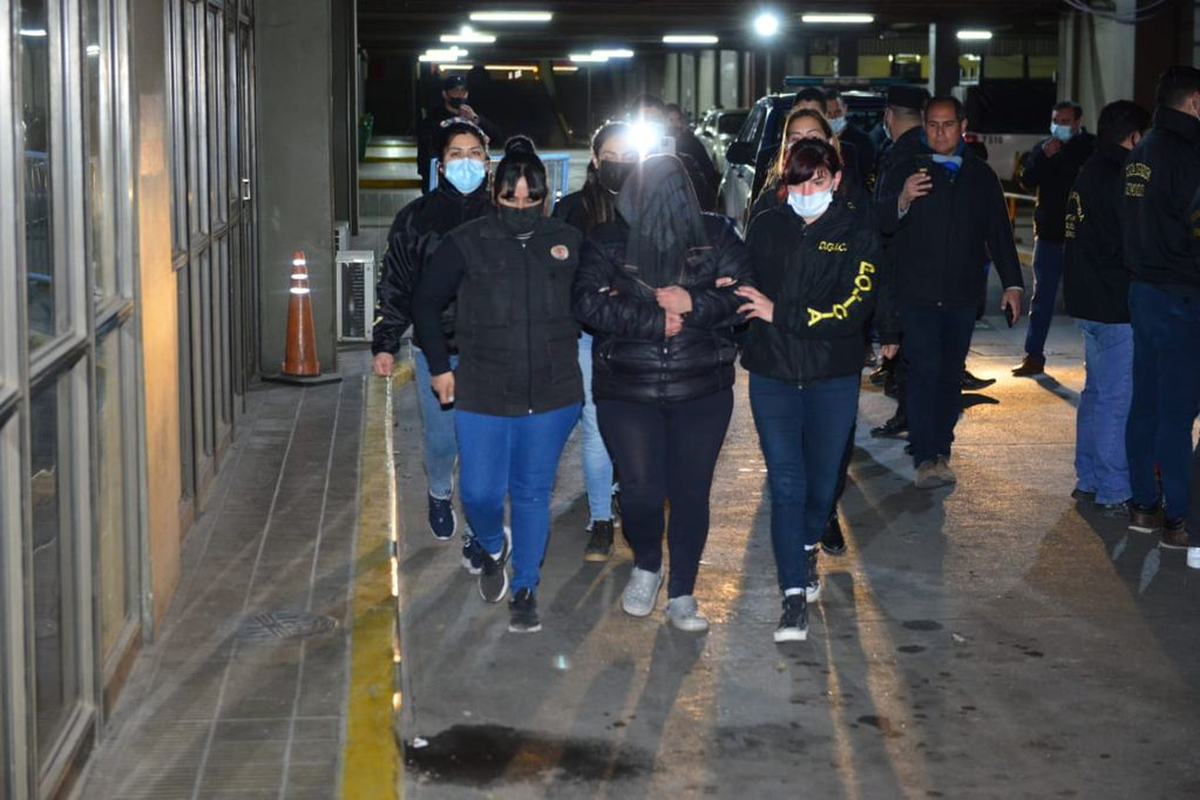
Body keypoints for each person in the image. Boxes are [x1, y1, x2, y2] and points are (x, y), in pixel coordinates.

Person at [573, 154, 752, 632]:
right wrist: (654, 319)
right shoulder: (608, 240)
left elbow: (745, 296)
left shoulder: (717, 235)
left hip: (702, 386)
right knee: (640, 491)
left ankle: (683, 594)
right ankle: (647, 564)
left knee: (691, 493)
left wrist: (694, 301)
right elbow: (586, 302)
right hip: (627, 387)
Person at [411, 136, 584, 633]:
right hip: (482, 389)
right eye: (511, 197)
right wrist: (440, 367)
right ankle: (491, 546)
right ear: (495, 194)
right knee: (480, 493)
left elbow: (596, 299)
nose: (521, 207)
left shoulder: (568, 242)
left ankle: (526, 588)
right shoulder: (467, 241)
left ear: (546, 197)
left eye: (532, 198)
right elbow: (426, 303)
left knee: (531, 493)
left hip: (551, 393)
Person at [736, 139, 897, 642]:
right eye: (798, 181)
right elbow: (742, 289)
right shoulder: (765, 225)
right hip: (773, 375)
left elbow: (851, 312)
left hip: (832, 378)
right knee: (786, 483)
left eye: (818, 180)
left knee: (823, 487)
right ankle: (791, 596)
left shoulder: (857, 234)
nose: (808, 190)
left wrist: (779, 313)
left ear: (836, 177)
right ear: (784, 181)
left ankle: (807, 546)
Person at [876, 96, 1024, 489]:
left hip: (961, 295)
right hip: (915, 295)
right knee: (923, 372)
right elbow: (880, 225)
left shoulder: (979, 175)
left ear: (963, 126)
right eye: (932, 125)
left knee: (948, 375)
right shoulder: (905, 169)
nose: (940, 133)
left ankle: (942, 448)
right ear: (923, 126)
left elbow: (998, 232)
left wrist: (1013, 284)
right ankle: (926, 455)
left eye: (947, 125)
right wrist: (902, 199)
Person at [372, 119, 492, 565]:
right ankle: (439, 490)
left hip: (491, 352)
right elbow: (396, 284)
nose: (466, 162)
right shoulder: (415, 219)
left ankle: (479, 530)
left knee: (484, 446)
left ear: (488, 162)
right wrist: (385, 341)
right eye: (456, 154)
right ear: (440, 165)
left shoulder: (504, 215)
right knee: (443, 441)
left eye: (475, 153)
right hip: (436, 351)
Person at [1122, 66, 1200, 555]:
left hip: (1144, 292)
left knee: (1146, 405)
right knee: (1176, 414)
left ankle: (1144, 506)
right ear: (1195, 101)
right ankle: (1179, 518)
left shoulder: (1142, 151)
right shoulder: (1189, 154)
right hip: (1182, 297)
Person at [552, 122, 639, 561]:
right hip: (587, 336)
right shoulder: (571, 210)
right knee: (595, 424)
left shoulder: (651, 207)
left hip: (638, 335)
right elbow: (554, 275)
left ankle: (624, 491)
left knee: (634, 425)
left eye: (627, 157)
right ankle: (600, 518)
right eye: (610, 157)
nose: (618, 165)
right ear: (594, 159)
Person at [1063, 100, 1151, 516]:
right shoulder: (1121, 177)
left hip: (1087, 300)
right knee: (1117, 400)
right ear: (1134, 136)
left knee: (1096, 394)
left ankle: (1089, 478)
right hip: (1115, 304)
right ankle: (1115, 488)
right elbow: (1130, 243)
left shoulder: (1089, 170)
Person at [1013, 101, 1096, 376]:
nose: (1059, 126)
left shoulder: (1091, 147)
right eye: (1055, 120)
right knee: (1042, 298)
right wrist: (1042, 157)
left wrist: (1063, 156)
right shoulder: (1044, 147)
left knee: (1089, 298)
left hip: (1082, 236)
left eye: (1064, 121)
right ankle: (1033, 355)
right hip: (1049, 233)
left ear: (1078, 122)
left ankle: (1094, 357)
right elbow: (1026, 179)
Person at [869, 85, 931, 439]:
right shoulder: (924, 150)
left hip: (900, 263)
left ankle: (912, 418)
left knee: (907, 348)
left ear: (889, 115)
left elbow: (887, 214)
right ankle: (910, 415)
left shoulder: (902, 155)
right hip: (918, 265)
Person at [629, 94, 718, 211]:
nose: (651, 125)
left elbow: (707, 201)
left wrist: (678, 170)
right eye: (645, 120)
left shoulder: (685, 162)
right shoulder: (623, 162)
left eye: (656, 120)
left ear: (664, 125)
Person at [416, 74, 503, 192]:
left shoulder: (474, 115)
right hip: (443, 183)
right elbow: (426, 155)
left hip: (472, 182)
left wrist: (475, 119)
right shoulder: (432, 120)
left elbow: (498, 138)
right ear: (445, 94)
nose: (460, 95)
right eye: (455, 91)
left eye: (463, 91)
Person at [791, 88, 862, 188]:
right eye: (801, 113)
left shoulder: (846, 152)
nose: (807, 120)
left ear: (825, 116)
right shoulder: (773, 156)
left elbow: (853, 191)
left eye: (814, 114)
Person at [824, 88, 875, 186]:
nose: (833, 118)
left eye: (837, 112)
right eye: (828, 114)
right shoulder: (818, 139)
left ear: (845, 109)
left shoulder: (862, 140)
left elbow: (865, 176)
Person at [665, 103, 721, 194]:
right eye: (671, 120)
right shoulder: (657, 144)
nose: (676, 124)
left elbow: (707, 168)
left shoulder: (692, 143)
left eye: (678, 119)